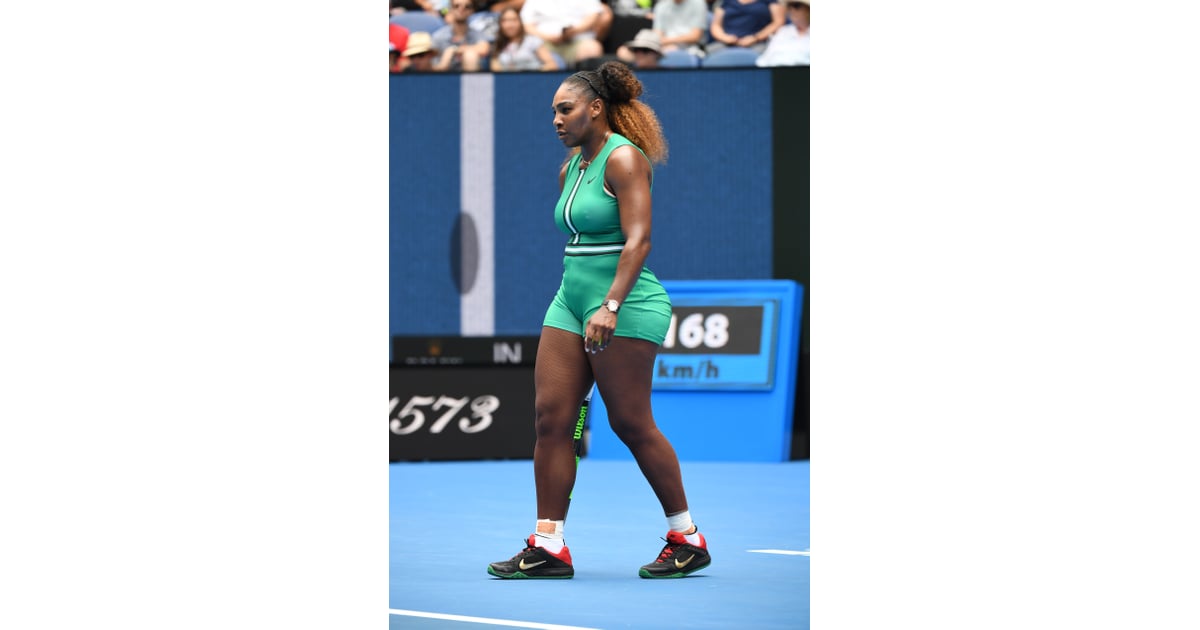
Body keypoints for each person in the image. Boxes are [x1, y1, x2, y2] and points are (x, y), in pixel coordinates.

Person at [487, 61, 711, 580]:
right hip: (569, 298)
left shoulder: (624, 159)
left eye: (565, 109)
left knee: (630, 422)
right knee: (552, 419)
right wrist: (589, 301)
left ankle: (687, 537)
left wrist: (610, 304)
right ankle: (548, 545)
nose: (556, 120)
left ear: (595, 108)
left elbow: (639, 240)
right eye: (553, 112)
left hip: (626, 302)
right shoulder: (572, 166)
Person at [520, 0, 607, 68]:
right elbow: (526, 24)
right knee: (529, 49)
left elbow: (594, 15)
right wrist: (547, 36)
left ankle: (587, 86)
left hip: (577, 40)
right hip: (545, 43)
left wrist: (575, 31)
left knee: (592, 48)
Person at [491, 7, 560, 71]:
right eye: (505, 20)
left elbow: (552, 65)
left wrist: (531, 74)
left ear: (520, 22)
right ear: (500, 24)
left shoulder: (533, 41)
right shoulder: (497, 44)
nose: (510, 25)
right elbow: (495, 70)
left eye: (514, 20)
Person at [706, 0, 784, 56]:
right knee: (710, 52)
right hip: (728, 43)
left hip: (759, 43)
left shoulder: (770, 2)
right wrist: (725, 38)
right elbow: (716, 25)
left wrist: (756, 38)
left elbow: (778, 22)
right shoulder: (725, 3)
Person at [432, 0, 492, 71]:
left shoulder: (477, 34)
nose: (461, 9)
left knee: (470, 55)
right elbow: (432, 67)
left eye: (467, 7)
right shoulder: (439, 36)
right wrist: (443, 64)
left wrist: (454, 50)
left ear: (472, 11)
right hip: (445, 78)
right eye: (456, 6)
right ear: (450, 9)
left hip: (470, 78)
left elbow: (484, 48)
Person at [755, 0, 808, 66]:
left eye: (796, 6)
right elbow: (764, 61)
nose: (792, 10)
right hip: (776, 73)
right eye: (789, 7)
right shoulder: (783, 32)